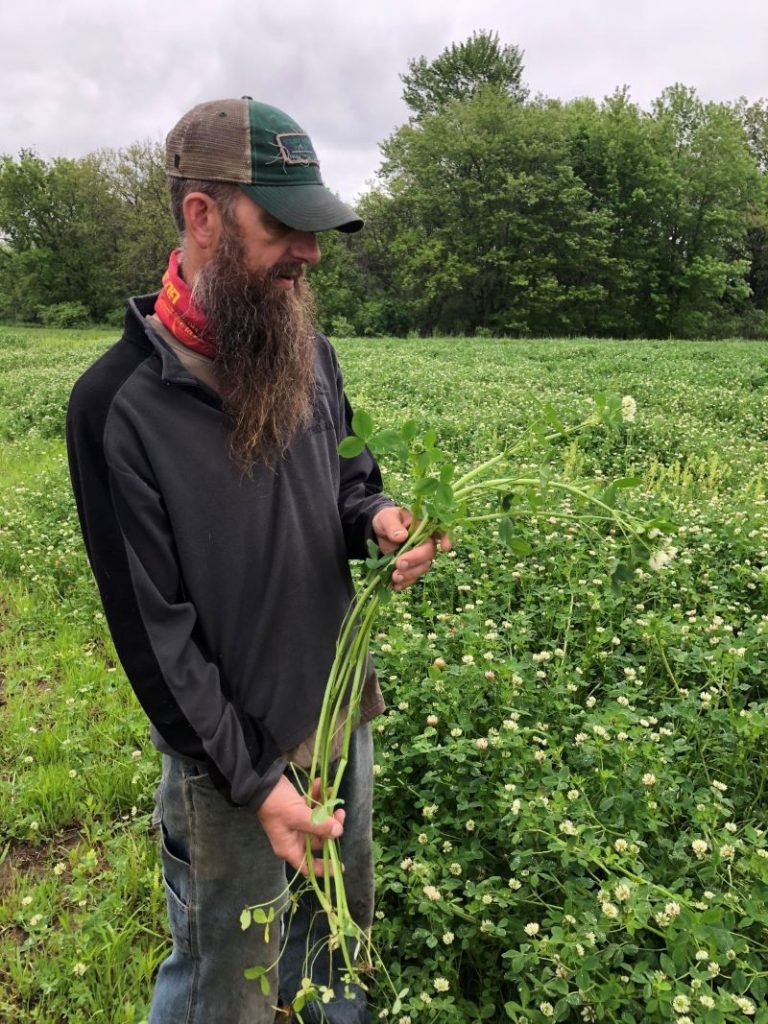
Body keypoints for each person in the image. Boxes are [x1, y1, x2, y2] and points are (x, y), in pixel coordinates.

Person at [66, 97, 448, 1024]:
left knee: (335, 940)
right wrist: (256, 782)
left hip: (337, 713)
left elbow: (350, 482)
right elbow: (156, 640)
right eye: (284, 226)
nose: (310, 253)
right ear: (203, 216)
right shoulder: (118, 405)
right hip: (229, 762)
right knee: (222, 983)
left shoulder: (309, 352)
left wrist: (383, 520)